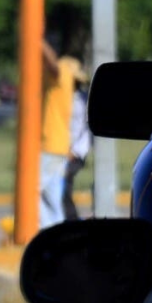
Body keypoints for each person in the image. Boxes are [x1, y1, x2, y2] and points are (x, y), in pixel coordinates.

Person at [39, 42, 82, 228]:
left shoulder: (61, 77)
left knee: (29, 194)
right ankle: (55, 238)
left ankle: (46, 231)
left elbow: (52, 63)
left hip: (49, 146)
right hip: (59, 147)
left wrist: (37, 40)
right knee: (54, 199)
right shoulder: (65, 90)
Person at [62, 77, 91, 220]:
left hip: (75, 153)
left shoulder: (83, 100)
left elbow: (86, 131)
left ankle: (71, 220)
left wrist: (75, 151)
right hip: (60, 151)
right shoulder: (62, 96)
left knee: (63, 187)